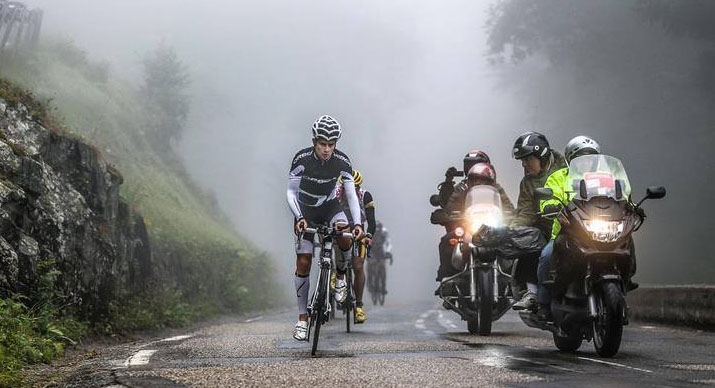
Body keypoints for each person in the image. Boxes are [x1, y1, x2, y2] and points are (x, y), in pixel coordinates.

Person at [286, 115, 364, 341]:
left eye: (331, 145)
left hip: (330, 207)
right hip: (305, 211)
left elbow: (350, 195)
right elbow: (291, 193)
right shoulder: (301, 159)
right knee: (303, 261)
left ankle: (340, 277)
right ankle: (302, 319)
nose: (327, 150)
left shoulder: (342, 161)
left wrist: (357, 224)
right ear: (314, 142)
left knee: (345, 232)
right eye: (322, 144)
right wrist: (299, 216)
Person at [536, 135, 603, 321]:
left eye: (591, 158)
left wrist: (630, 205)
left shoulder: (605, 178)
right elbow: (547, 198)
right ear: (570, 160)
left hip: (599, 231)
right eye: (581, 158)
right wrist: (550, 205)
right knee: (547, 256)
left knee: (627, 243)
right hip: (567, 232)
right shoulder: (558, 177)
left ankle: (624, 278)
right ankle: (543, 303)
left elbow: (621, 194)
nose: (586, 162)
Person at [434, 150, 514, 281]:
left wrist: (511, 216)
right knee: (447, 241)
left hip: (494, 229)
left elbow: (509, 208)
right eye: (470, 167)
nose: (475, 171)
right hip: (468, 229)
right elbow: (450, 208)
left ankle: (516, 279)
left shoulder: (497, 189)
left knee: (516, 242)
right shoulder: (461, 188)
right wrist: (447, 216)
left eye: (482, 177)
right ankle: (447, 279)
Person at [509, 131, 566, 311]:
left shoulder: (568, 169)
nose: (524, 165)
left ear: (541, 156)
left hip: (573, 225)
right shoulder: (527, 182)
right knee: (526, 239)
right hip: (544, 229)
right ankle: (532, 293)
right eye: (522, 161)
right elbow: (525, 211)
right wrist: (512, 232)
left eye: (527, 159)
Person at [336, 169, 374, 323]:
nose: (350, 191)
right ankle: (336, 275)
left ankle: (359, 306)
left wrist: (369, 236)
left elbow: (371, 221)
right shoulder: (336, 194)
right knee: (335, 248)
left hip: (359, 232)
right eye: (346, 187)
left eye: (355, 187)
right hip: (341, 229)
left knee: (358, 267)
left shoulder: (365, 195)